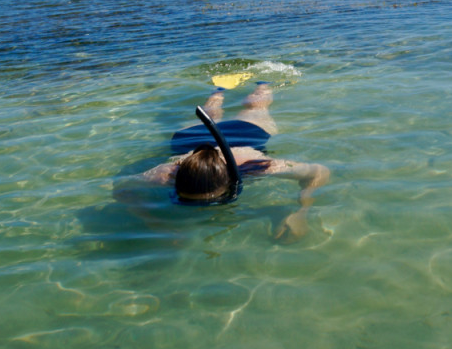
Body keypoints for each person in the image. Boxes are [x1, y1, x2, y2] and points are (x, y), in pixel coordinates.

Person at [139, 83, 330, 243]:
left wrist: (302, 210)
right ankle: (218, 90)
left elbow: (320, 172)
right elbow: (123, 189)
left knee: (256, 107)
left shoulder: (256, 166)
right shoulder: (166, 173)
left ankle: (262, 83)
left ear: (229, 180)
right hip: (192, 139)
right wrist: (156, 224)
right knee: (209, 114)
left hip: (244, 134)